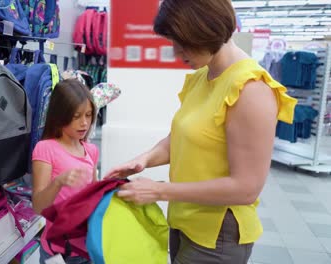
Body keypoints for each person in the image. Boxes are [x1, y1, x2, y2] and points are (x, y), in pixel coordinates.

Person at [105, 0, 297, 263]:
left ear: (203, 29)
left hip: (217, 235)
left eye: (180, 42)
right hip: (184, 220)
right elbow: (183, 137)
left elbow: (246, 187)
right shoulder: (202, 77)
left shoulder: (250, 89)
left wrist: (159, 191)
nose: (176, 52)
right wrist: (144, 160)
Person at [32, 79, 98, 264]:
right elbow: (38, 206)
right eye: (76, 116)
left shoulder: (91, 151)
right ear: (60, 115)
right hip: (58, 252)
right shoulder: (45, 149)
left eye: (88, 115)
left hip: (87, 248)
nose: (84, 123)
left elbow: (92, 200)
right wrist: (58, 182)